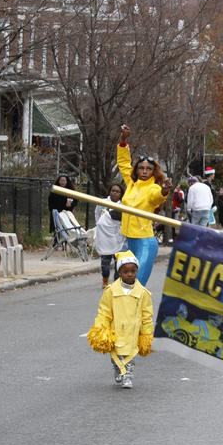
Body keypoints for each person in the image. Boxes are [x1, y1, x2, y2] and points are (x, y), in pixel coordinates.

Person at [87, 251, 153, 389]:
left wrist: (146, 333)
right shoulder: (110, 291)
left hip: (133, 331)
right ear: (119, 273)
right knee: (116, 355)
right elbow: (104, 311)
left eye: (133, 271)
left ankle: (127, 375)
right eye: (125, 271)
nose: (129, 274)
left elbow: (147, 315)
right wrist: (101, 328)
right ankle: (118, 368)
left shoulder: (143, 293)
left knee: (129, 356)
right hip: (116, 329)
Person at [116, 125, 171, 286]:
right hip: (129, 240)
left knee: (136, 284)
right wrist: (123, 141)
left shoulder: (153, 188)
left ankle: (140, 310)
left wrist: (164, 191)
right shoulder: (132, 183)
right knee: (122, 286)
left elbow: (157, 198)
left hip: (145, 241)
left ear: (154, 171)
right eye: (141, 168)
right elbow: (124, 163)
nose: (144, 171)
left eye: (148, 169)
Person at [94, 183, 127, 288]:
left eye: (117, 192)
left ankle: (117, 282)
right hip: (105, 237)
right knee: (105, 261)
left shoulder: (123, 205)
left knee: (119, 261)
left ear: (121, 194)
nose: (115, 193)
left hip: (117, 236)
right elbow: (97, 214)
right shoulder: (103, 203)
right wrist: (101, 226)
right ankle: (105, 280)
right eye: (113, 190)